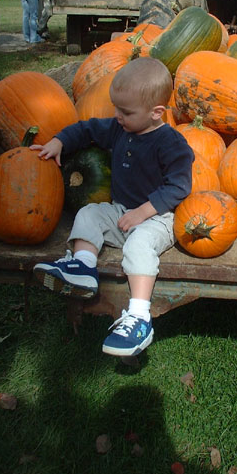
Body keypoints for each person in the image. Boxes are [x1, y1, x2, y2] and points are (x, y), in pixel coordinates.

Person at [32, 58, 194, 357]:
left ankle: (139, 316)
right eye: (116, 108)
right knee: (89, 213)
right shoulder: (121, 128)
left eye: (126, 112)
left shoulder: (172, 143)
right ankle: (83, 266)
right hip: (124, 212)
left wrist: (143, 212)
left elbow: (179, 186)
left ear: (156, 112)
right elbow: (87, 129)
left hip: (160, 218)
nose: (117, 116)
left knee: (139, 245)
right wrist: (59, 141)